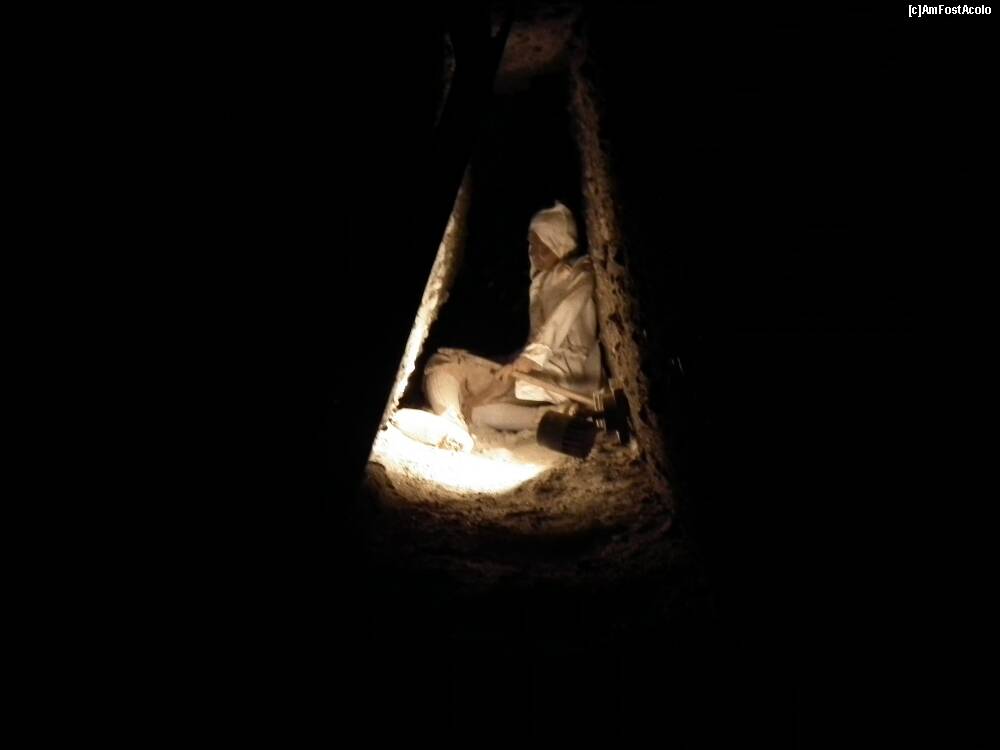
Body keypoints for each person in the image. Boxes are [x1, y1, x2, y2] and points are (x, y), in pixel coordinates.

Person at [422, 201, 602, 444]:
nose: (534, 254)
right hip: (540, 367)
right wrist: (515, 361)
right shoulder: (542, 281)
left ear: (561, 245)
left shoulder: (578, 271)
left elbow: (565, 314)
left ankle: (450, 423)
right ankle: (552, 416)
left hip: (563, 371)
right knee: (475, 409)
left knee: (442, 362)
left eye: (543, 248)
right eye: (531, 245)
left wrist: (529, 359)